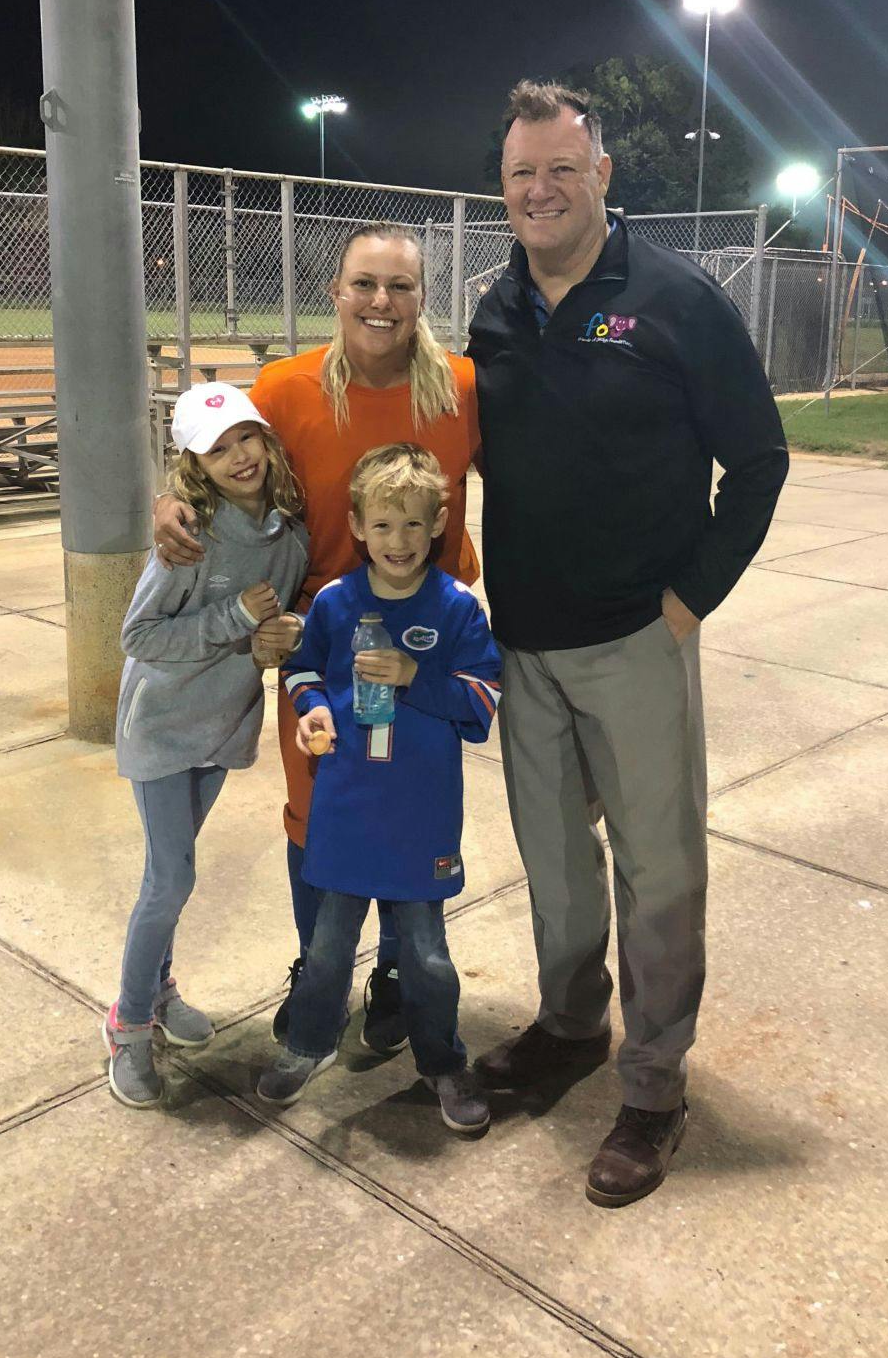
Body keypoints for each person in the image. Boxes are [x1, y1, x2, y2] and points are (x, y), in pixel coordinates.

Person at [468, 81, 789, 1205]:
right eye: (519, 173)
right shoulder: (491, 309)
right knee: (557, 873)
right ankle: (567, 1032)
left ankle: (652, 1086)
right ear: (500, 186)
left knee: (658, 876)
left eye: (561, 167)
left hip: (634, 640)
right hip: (524, 648)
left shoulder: (676, 300)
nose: (539, 189)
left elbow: (757, 463)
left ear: (601, 174)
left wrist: (688, 600)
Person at [152, 225, 481, 1053]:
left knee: (410, 803)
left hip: (424, 636)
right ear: (334, 292)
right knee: (318, 807)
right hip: (319, 633)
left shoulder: (462, 387)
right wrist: (166, 503)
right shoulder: (288, 387)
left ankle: (401, 971)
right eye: (364, 284)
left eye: (399, 287)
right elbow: (222, 464)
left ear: (419, 299)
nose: (381, 302)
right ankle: (318, 967)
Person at [256, 444, 500, 1132]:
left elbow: (481, 702)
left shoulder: (455, 610)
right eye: (384, 526)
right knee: (329, 944)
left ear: (439, 524)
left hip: (419, 815)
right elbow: (300, 670)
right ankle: (307, 1040)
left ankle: (441, 1058)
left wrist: (413, 677)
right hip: (345, 807)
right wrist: (314, 712)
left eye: (415, 525)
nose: (400, 541)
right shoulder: (335, 603)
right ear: (359, 526)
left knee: (425, 954)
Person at [104, 382, 308, 1109]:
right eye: (217, 449)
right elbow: (138, 637)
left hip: (218, 729)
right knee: (170, 880)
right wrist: (231, 616)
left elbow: (274, 633)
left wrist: (279, 640)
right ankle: (127, 1024)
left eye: (246, 437)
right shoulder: (191, 536)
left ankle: (158, 991)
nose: (238, 456)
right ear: (194, 462)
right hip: (159, 728)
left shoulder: (288, 536)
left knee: (173, 872)